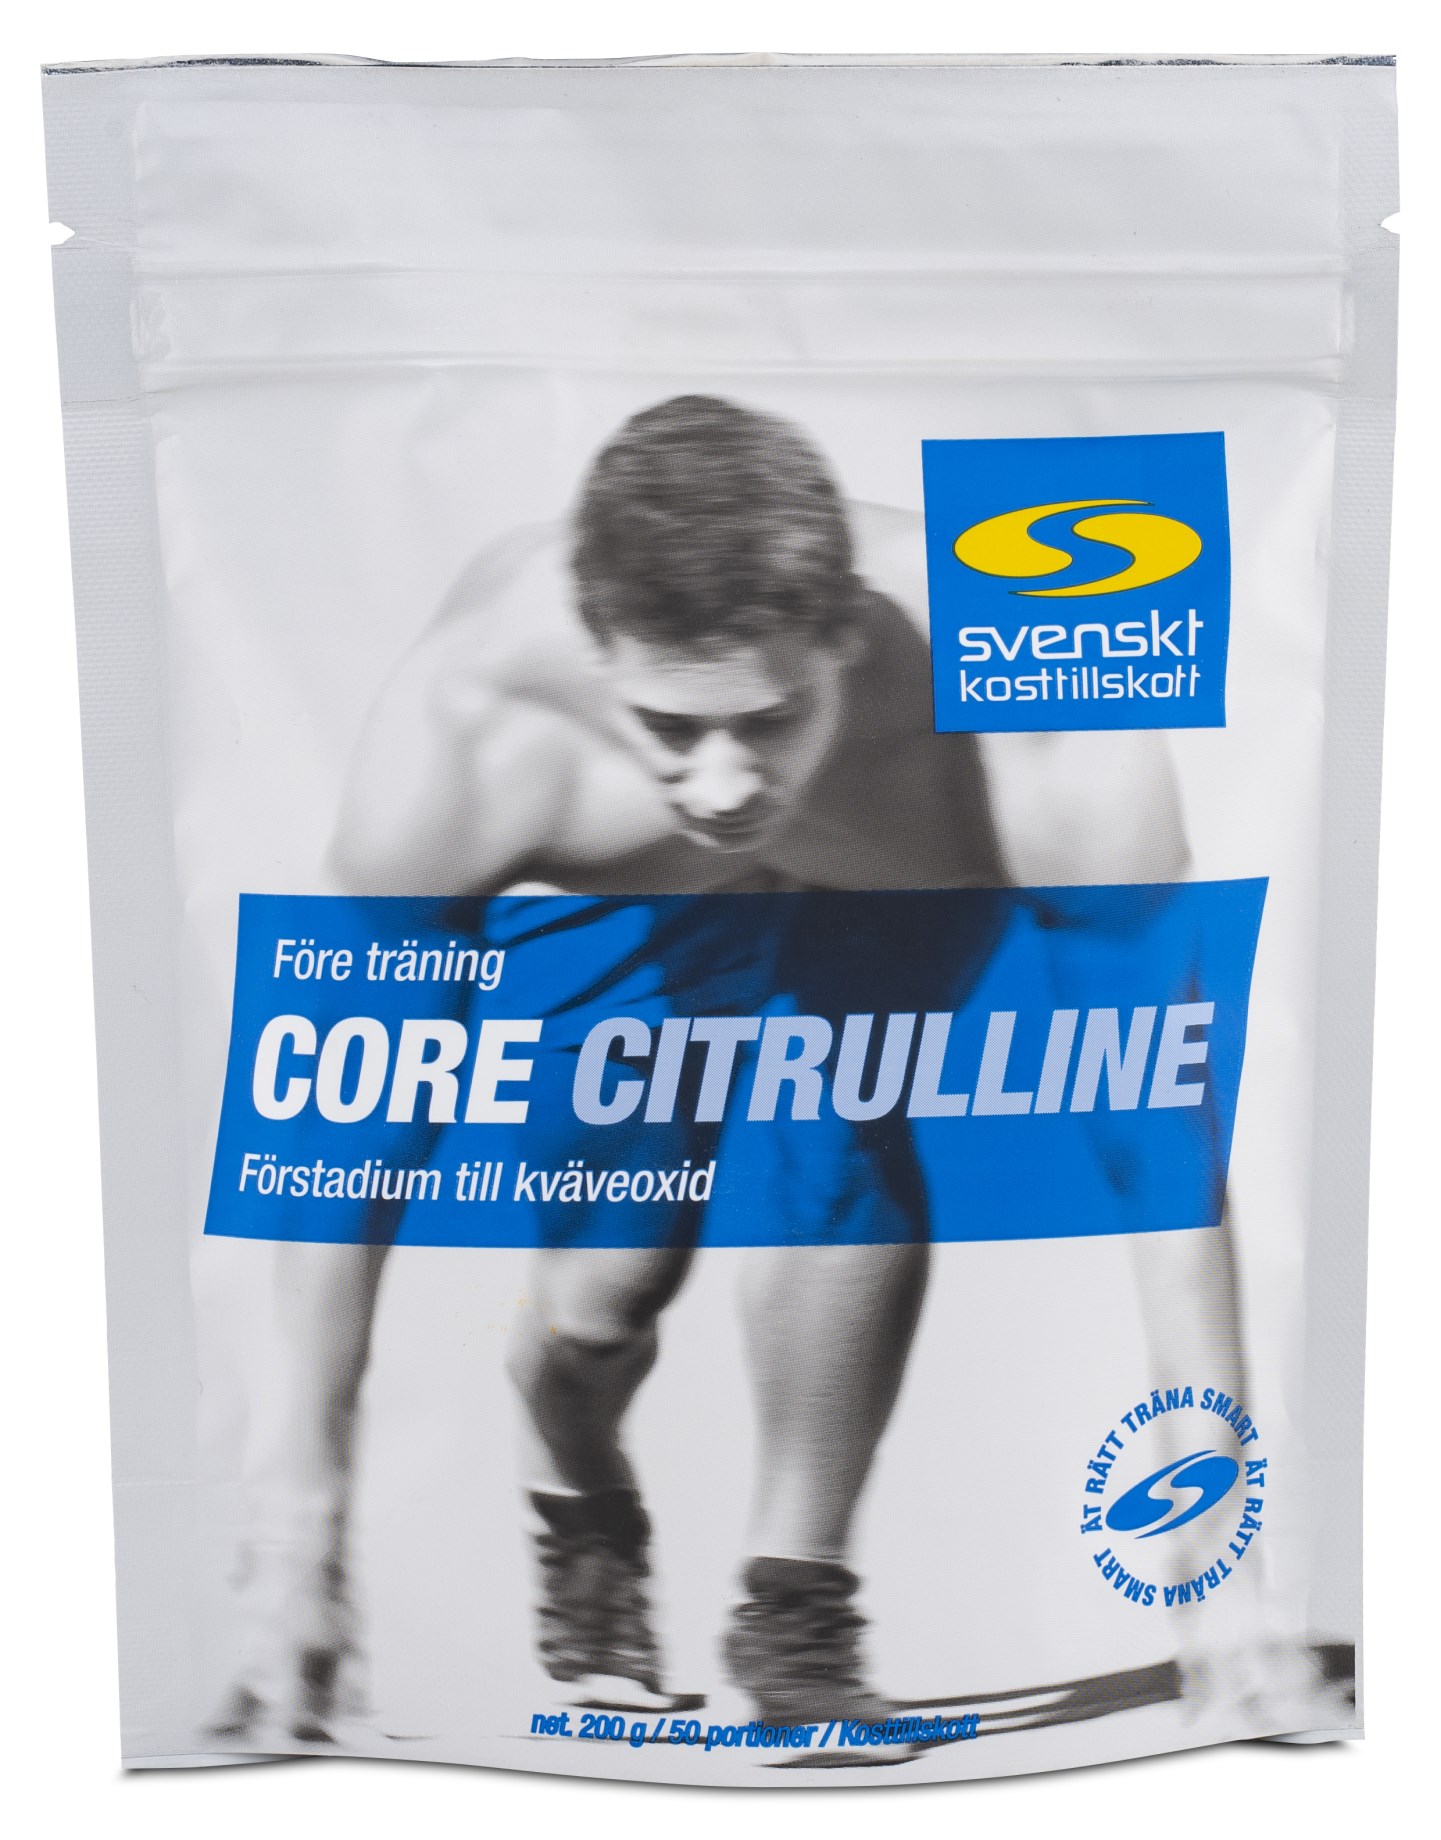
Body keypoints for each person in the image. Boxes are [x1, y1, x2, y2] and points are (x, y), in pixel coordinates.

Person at [213, 394, 1244, 1749]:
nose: (719, 784)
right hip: (627, 881)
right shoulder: (474, 719)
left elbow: (1156, 1131)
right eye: (669, 726)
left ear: (843, 632)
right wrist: (296, 1547)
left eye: (768, 719)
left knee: (842, 1122)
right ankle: (578, 1470)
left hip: (887, 860)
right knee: (606, 1293)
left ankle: (794, 1606)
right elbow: (341, 1135)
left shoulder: (1034, 707)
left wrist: (1226, 1542)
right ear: (597, 651)